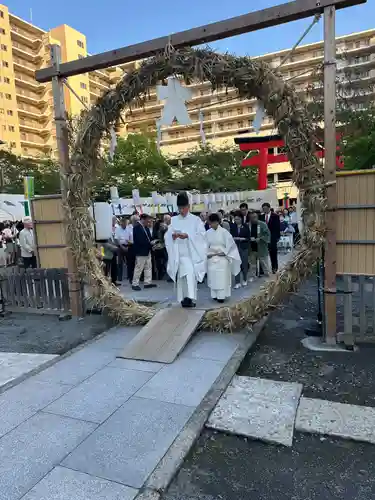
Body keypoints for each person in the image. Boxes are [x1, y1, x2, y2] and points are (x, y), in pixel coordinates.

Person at [165, 191, 207, 308]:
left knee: (189, 276)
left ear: (188, 207)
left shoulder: (196, 220)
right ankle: (183, 298)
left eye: (183, 208)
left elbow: (202, 236)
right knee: (181, 278)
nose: (181, 210)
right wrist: (172, 236)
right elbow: (168, 235)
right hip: (179, 253)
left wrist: (188, 235)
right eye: (179, 208)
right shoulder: (174, 220)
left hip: (190, 254)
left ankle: (190, 298)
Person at [206, 213, 241, 303]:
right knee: (212, 277)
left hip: (222, 258)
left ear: (218, 222)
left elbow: (231, 245)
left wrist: (225, 252)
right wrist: (207, 253)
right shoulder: (208, 233)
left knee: (221, 277)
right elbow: (204, 245)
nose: (212, 225)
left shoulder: (224, 232)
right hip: (211, 257)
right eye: (211, 223)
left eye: (214, 222)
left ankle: (221, 296)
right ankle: (214, 294)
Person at [131, 214, 157, 291]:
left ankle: (147, 282)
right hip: (141, 251)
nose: (148, 222)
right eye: (147, 220)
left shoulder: (146, 228)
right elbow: (139, 240)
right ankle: (135, 283)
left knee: (148, 267)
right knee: (139, 268)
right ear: (142, 219)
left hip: (147, 250)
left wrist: (154, 241)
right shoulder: (136, 228)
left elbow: (149, 238)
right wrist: (150, 244)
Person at [230, 210, 250, 289]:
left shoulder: (245, 226)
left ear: (241, 219)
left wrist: (241, 238)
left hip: (244, 247)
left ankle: (245, 279)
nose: (236, 220)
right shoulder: (233, 226)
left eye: (238, 219)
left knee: (244, 264)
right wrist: (234, 238)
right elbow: (230, 237)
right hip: (235, 248)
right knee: (236, 264)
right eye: (235, 219)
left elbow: (248, 238)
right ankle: (237, 282)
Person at [248, 211, 271, 278]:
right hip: (252, 248)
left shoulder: (263, 224)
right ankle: (253, 276)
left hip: (261, 247)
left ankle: (268, 276)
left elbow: (267, 234)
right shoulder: (248, 225)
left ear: (257, 217)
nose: (253, 219)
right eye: (252, 217)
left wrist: (260, 238)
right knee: (252, 264)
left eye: (255, 217)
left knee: (264, 263)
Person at [260, 202, 280, 273]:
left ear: (269, 208)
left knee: (273, 254)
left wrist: (277, 237)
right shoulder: (261, 217)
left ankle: (274, 268)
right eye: (263, 209)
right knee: (263, 255)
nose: (264, 210)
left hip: (272, 238)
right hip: (264, 239)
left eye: (265, 209)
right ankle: (263, 270)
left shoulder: (275, 216)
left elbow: (278, 227)